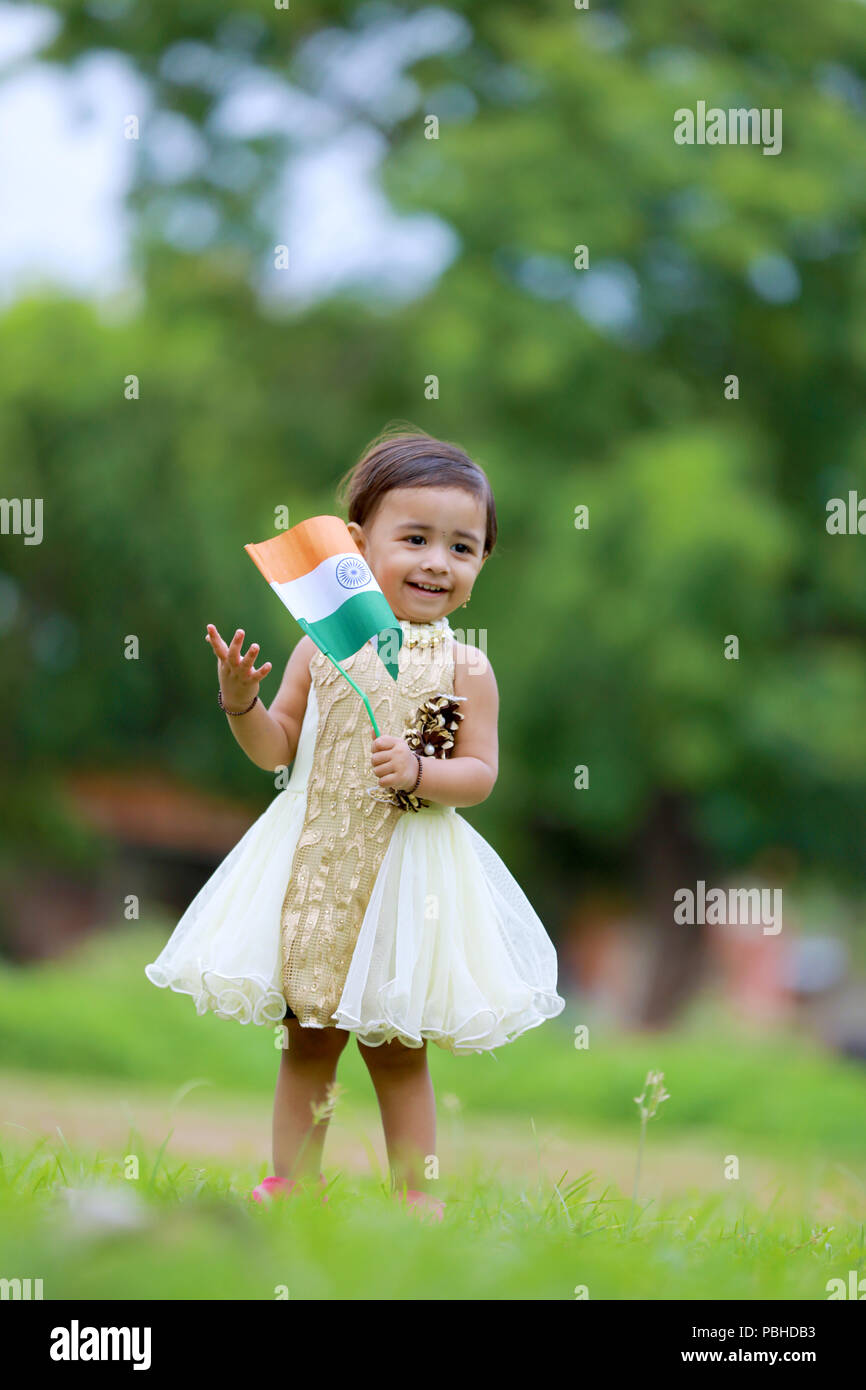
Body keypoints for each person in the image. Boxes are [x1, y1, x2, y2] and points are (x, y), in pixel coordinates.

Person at [145, 425, 566, 1221]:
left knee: (399, 1049)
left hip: (407, 878)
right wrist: (241, 700)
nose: (437, 562)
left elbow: (478, 774)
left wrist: (420, 773)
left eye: (463, 548)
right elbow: (274, 745)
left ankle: (417, 1195)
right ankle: (292, 1182)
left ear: (480, 564)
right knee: (306, 1039)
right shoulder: (321, 647)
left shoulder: (465, 666)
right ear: (357, 545)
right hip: (314, 863)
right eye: (415, 539)